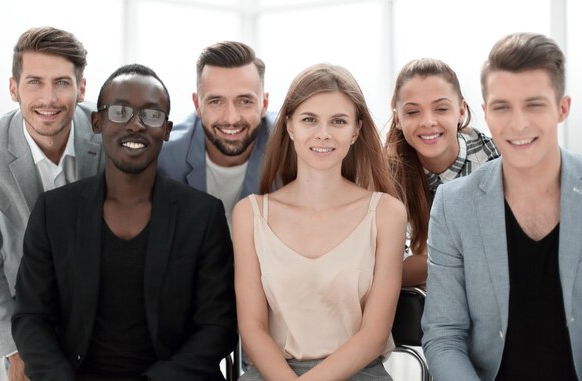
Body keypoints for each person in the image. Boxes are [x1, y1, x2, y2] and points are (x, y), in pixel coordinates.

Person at [11, 64, 237, 381]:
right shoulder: (54, 212)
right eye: (120, 112)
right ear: (97, 121)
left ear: (168, 129)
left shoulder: (203, 216)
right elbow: (31, 317)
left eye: (151, 115)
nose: (135, 125)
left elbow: (218, 325)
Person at [421, 33, 582, 381]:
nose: (518, 124)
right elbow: (445, 335)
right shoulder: (453, 205)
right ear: (486, 113)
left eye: (534, 104)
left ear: (562, 108)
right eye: (502, 107)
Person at [233, 63, 408, 380]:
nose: (323, 133)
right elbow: (252, 328)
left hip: (357, 373)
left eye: (338, 121)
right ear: (289, 126)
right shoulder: (250, 214)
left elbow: (373, 335)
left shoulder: (387, 214)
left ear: (355, 130)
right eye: (309, 119)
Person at [0, 26, 103, 381]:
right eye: (34, 81)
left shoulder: (106, 135)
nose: (48, 98)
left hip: (101, 303)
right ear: (14, 88)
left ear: (81, 88)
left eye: (62, 82)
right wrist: (14, 350)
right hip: (27, 305)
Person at [385, 58, 500, 288]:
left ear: (461, 111)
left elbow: (502, 254)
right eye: (413, 112)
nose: (428, 121)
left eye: (441, 108)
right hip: (415, 308)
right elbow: (385, 273)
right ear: (397, 118)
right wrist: (461, 257)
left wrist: (427, 263)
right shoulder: (386, 176)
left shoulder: (492, 159)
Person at [159, 41, 275, 230]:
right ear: (197, 105)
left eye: (245, 101)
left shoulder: (291, 151)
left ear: (265, 104)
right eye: (216, 101)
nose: (231, 118)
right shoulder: (164, 159)